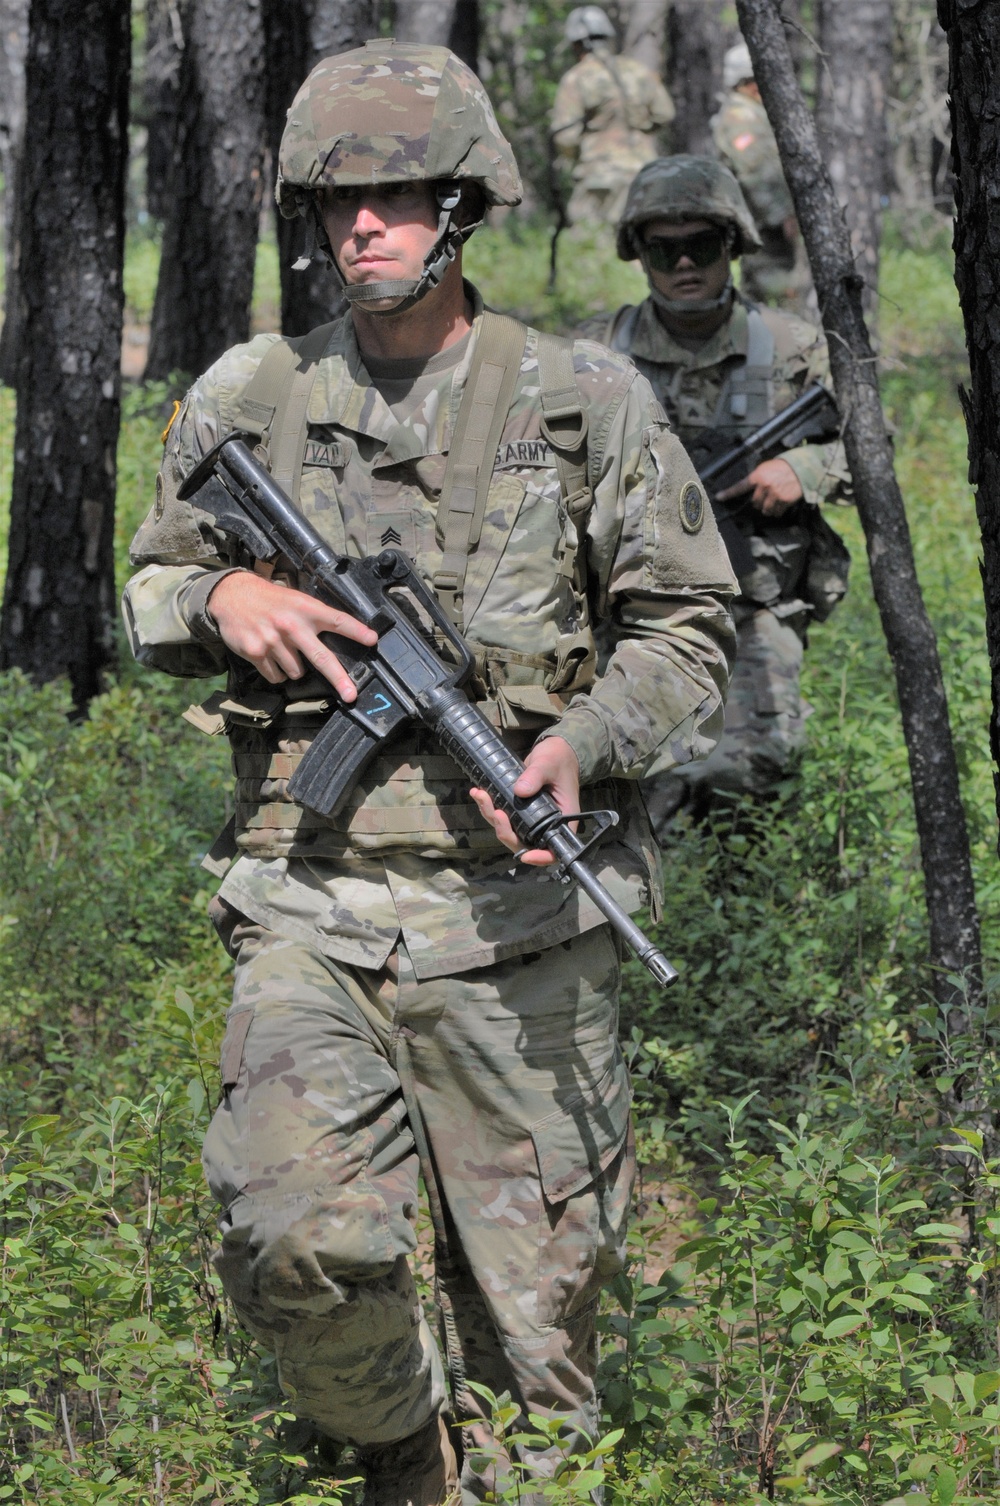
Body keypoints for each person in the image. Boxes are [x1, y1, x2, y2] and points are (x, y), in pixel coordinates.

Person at [122, 43, 736, 1506]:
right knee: (293, 1237)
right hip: (310, 911)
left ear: (460, 207)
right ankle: (396, 1455)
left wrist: (578, 744)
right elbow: (150, 580)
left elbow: (690, 623)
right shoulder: (252, 393)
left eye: (397, 198)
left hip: (525, 935)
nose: (364, 229)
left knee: (541, 1344)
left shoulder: (585, 398)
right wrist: (221, 605)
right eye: (339, 203)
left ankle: (508, 1461)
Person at [581, 155, 851, 830]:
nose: (683, 265)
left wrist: (806, 473)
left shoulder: (791, 348)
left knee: (751, 777)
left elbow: (873, 444)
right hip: (623, 613)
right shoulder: (593, 356)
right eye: (661, 249)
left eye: (701, 245)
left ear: (732, 245)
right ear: (637, 253)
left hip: (751, 610)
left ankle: (741, 915)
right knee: (624, 780)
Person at [710, 41, 813, 313]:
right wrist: (782, 216)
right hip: (763, 227)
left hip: (767, 226)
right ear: (750, 81)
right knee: (780, 296)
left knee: (761, 300)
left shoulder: (754, 114)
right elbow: (755, 174)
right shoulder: (740, 118)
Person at [550, 5, 675, 227]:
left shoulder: (577, 78)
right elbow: (665, 113)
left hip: (599, 177)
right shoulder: (638, 70)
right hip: (644, 171)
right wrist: (641, 127)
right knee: (641, 239)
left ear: (576, 43)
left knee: (590, 245)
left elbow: (565, 137)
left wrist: (580, 153)